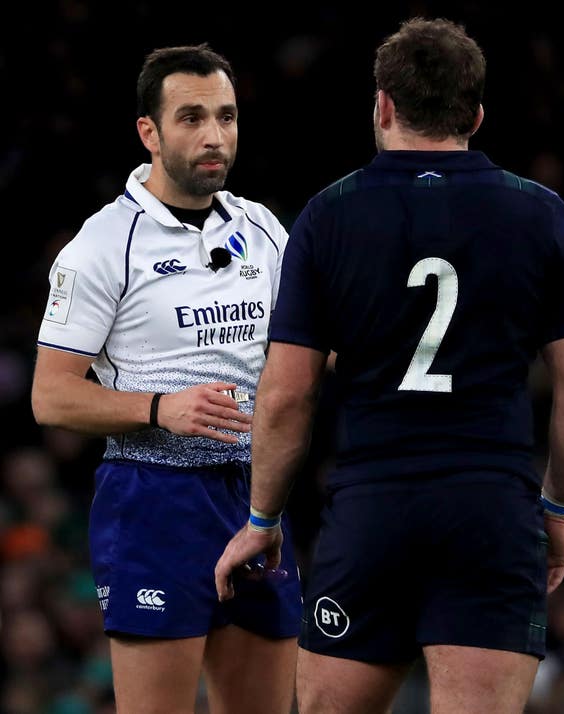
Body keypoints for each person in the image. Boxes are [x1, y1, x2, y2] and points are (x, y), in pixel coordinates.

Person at [214, 18, 564, 714]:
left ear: (383, 105)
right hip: (491, 509)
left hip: (372, 511)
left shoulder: (327, 216)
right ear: (477, 115)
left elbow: (285, 395)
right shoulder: (542, 214)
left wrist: (262, 517)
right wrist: (561, 507)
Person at [31, 43, 301, 714]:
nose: (215, 136)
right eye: (191, 117)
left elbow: (309, 354)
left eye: (227, 116)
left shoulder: (264, 230)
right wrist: (159, 408)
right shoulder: (101, 245)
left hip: (255, 494)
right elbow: (50, 395)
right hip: (154, 499)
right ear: (149, 131)